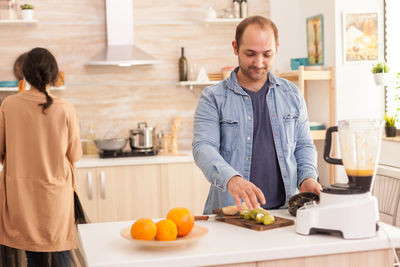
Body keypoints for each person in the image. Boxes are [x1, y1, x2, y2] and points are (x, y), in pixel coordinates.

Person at [193, 16, 322, 214]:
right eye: (250, 54)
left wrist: (307, 178)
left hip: (284, 213)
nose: (259, 63)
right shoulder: (213, 98)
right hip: (232, 213)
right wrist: (232, 179)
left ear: (276, 48)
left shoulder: (292, 94)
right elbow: (203, 147)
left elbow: (303, 145)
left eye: (267, 54)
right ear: (236, 48)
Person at [0, 47, 82, 267]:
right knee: (61, 253)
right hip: (55, 195)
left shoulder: (9, 105)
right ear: (53, 74)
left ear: (25, 74)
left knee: (32, 256)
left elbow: (1, 150)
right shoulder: (66, 109)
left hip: (22, 195)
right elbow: (75, 154)